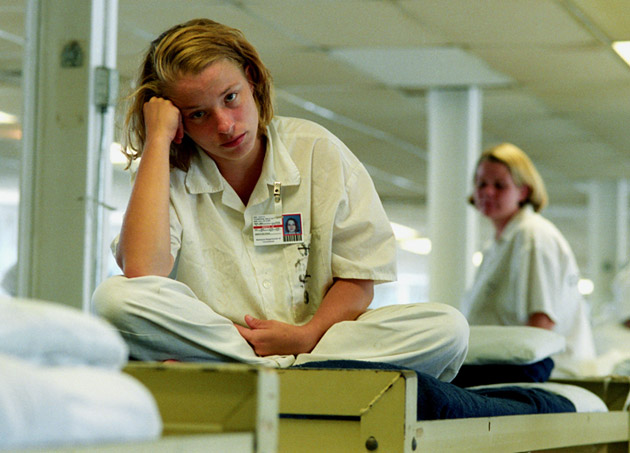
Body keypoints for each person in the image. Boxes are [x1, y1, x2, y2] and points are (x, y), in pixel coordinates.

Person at [92, 18, 468, 381]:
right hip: (230, 342)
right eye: (198, 114)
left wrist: (306, 337)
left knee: (447, 328)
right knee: (114, 299)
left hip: (319, 340)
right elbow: (142, 270)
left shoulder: (317, 150)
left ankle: (266, 372)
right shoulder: (170, 173)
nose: (224, 125)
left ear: (252, 79)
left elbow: (359, 278)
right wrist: (157, 140)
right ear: (179, 121)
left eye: (230, 98)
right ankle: (284, 373)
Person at [460, 143, 596, 376]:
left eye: (499, 185)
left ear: (523, 191)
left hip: (547, 374)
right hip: (509, 366)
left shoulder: (532, 236)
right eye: (481, 183)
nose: (487, 192)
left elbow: (541, 323)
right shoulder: (496, 245)